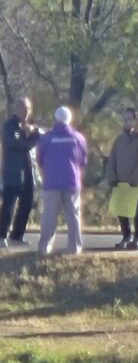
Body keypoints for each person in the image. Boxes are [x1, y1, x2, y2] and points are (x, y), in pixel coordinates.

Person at [36, 106, 88, 255]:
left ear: (56, 119)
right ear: (70, 119)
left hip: (51, 182)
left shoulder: (46, 138)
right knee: (73, 216)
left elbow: (39, 159)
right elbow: (83, 160)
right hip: (72, 181)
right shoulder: (78, 138)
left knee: (49, 216)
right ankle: (75, 247)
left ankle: (44, 248)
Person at [106, 108, 138, 250]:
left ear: (137, 120)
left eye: (129, 119)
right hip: (120, 182)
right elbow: (112, 159)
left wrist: (135, 179)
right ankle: (125, 237)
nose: (126, 122)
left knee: (137, 210)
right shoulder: (119, 140)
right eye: (124, 119)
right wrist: (112, 176)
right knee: (122, 211)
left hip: (137, 184)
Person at [0, 97, 41, 249]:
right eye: (23, 108)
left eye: (28, 109)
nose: (26, 112)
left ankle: (17, 235)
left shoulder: (31, 127)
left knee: (27, 204)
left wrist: (34, 133)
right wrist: (31, 140)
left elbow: (42, 137)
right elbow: (15, 145)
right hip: (13, 172)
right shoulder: (9, 126)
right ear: (17, 109)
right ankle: (1, 235)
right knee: (9, 205)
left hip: (29, 172)